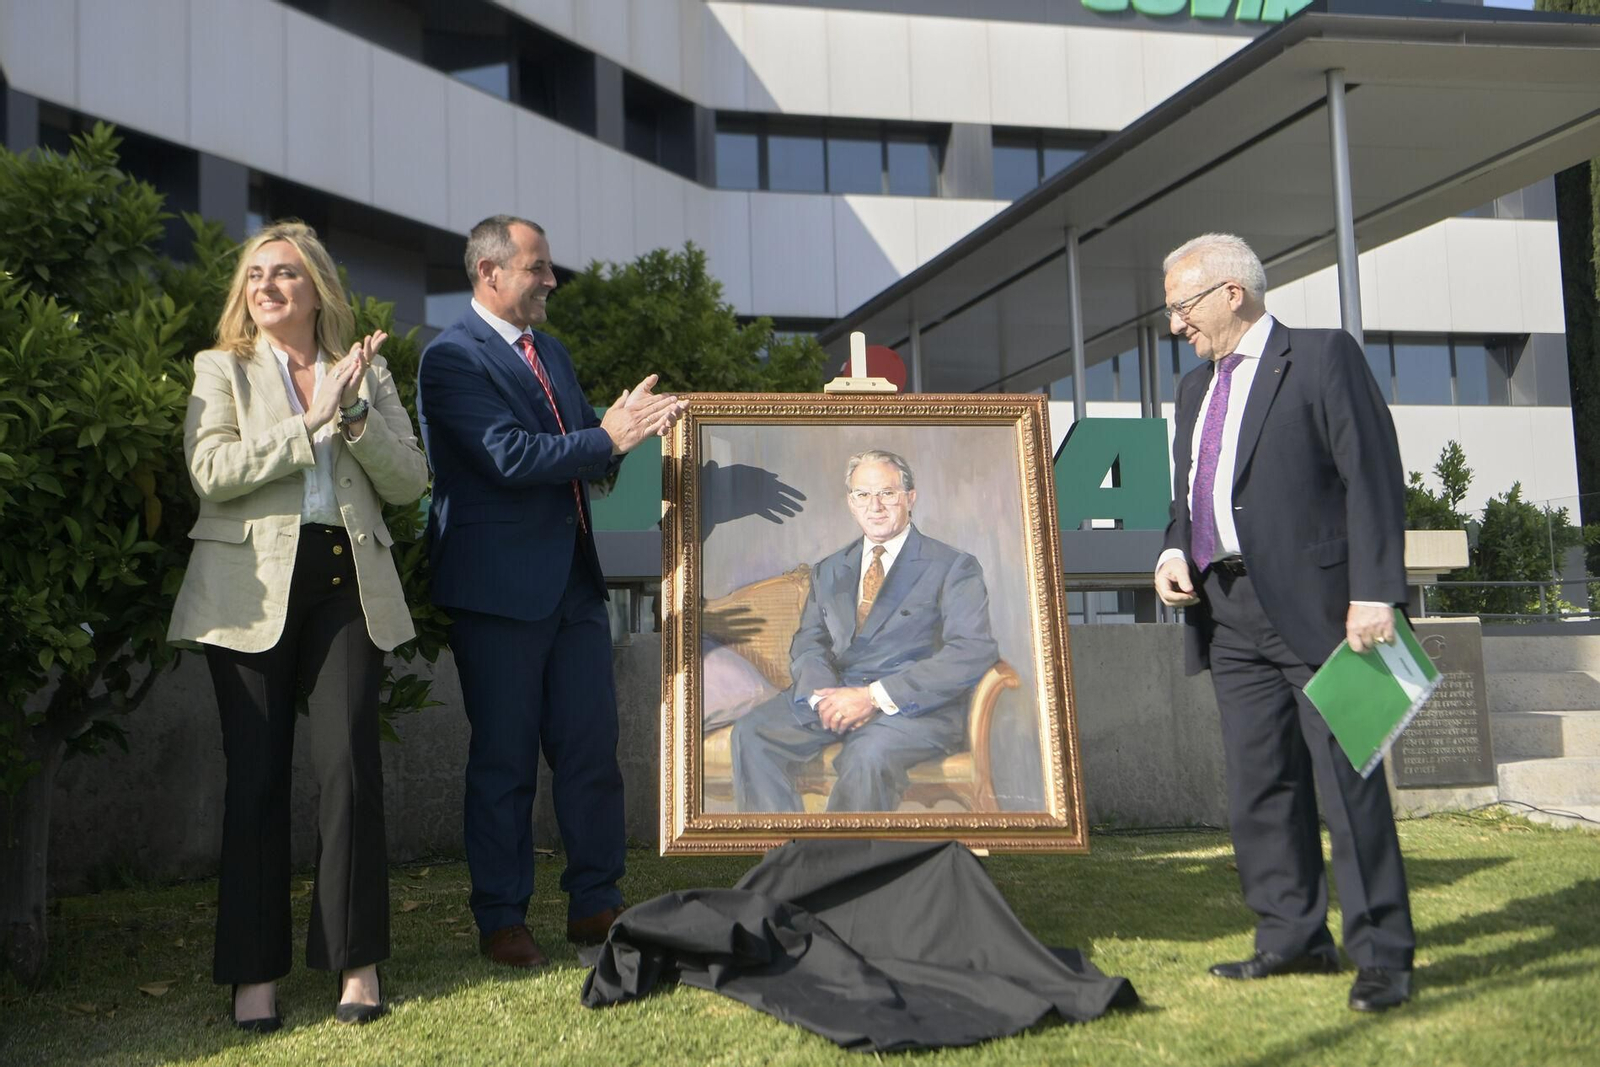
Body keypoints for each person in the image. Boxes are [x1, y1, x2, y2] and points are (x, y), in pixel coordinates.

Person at [168, 220, 429, 1029]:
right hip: (248, 588)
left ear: (317, 287)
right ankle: (254, 974)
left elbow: (410, 479)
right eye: (254, 276)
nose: (265, 287)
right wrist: (307, 420)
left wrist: (350, 414)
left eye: (283, 273)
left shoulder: (368, 370)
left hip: (346, 581)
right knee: (255, 780)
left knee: (351, 766)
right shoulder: (223, 369)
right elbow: (211, 470)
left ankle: (357, 963)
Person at [1152, 233, 1415, 1012]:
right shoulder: (1195, 392)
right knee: (1260, 786)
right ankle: (1291, 938)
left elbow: (1372, 477)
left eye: (1182, 307)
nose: (1175, 326)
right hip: (1227, 613)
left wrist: (1375, 591)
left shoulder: (1324, 357)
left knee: (1348, 785)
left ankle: (1383, 954)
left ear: (1232, 291)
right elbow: (1189, 497)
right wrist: (1174, 549)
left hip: (1331, 612)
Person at [416, 215, 685, 968]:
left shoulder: (551, 352)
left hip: (573, 583)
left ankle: (595, 901)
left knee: (592, 747)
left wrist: (620, 441)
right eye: (538, 267)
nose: (551, 280)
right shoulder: (449, 359)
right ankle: (502, 916)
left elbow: (581, 456)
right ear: (490, 272)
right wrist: (605, 436)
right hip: (497, 592)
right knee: (504, 761)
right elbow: (507, 455)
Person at [731, 449, 999, 812]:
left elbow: (971, 652)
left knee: (866, 756)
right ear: (851, 503)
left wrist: (873, 696)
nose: (875, 506)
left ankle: (845, 865)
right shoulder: (829, 569)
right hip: (835, 696)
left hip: (912, 707)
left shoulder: (953, 566)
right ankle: (785, 857)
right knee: (752, 732)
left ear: (910, 498)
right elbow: (810, 643)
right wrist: (821, 697)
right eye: (863, 495)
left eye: (887, 493)